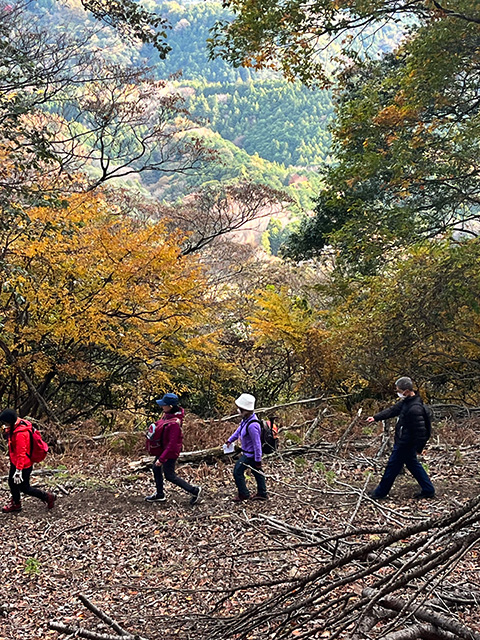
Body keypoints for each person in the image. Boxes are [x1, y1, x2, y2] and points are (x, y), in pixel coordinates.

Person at [366, 377, 434, 500]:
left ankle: (379, 493)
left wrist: (419, 448)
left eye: (399, 390)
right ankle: (428, 490)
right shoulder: (407, 403)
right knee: (413, 465)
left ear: (406, 391)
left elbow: (421, 432)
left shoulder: (415, 409)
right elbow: (392, 410)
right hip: (404, 441)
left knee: (392, 468)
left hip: (406, 444)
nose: (397, 393)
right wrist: (376, 417)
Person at [145, 393, 201, 506]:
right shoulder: (167, 415)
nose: (162, 406)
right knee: (155, 468)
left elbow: (172, 444)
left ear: (170, 406)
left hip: (170, 452)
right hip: (163, 449)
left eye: (164, 404)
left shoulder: (174, 423)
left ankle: (194, 490)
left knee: (170, 475)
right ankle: (160, 494)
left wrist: (162, 459)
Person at [0, 408, 56, 513]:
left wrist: (18, 471)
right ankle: (16, 503)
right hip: (16, 462)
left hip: (23, 465)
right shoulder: (17, 424)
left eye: (5, 423)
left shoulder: (21, 434)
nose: (4, 425)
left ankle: (48, 497)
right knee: (12, 483)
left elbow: (21, 453)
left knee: (25, 488)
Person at [225, 393, 268, 502]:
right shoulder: (245, 420)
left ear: (246, 410)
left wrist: (258, 460)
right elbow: (238, 431)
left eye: (241, 409)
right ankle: (262, 493)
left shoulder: (253, 425)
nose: (238, 411)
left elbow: (257, 445)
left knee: (237, 471)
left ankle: (244, 494)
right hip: (248, 453)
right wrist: (230, 440)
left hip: (251, 455)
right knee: (257, 472)